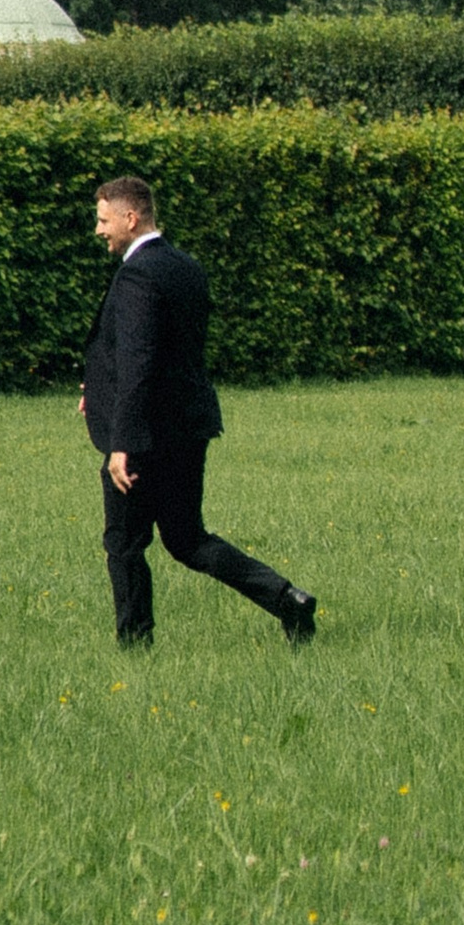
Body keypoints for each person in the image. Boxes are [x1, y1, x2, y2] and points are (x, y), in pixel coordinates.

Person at [80, 176, 317, 648]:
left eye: (104, 220)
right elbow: (168, 351)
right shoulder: (185, 266)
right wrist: (98, 387)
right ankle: (287, 599)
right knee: (188, 540)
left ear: (131, 218)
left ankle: (135, 645)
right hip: (186, 426)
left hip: (144, 436)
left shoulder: (136, 275)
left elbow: (139, 360)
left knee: (124, 543)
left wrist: (122, 443)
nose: (99, 230)